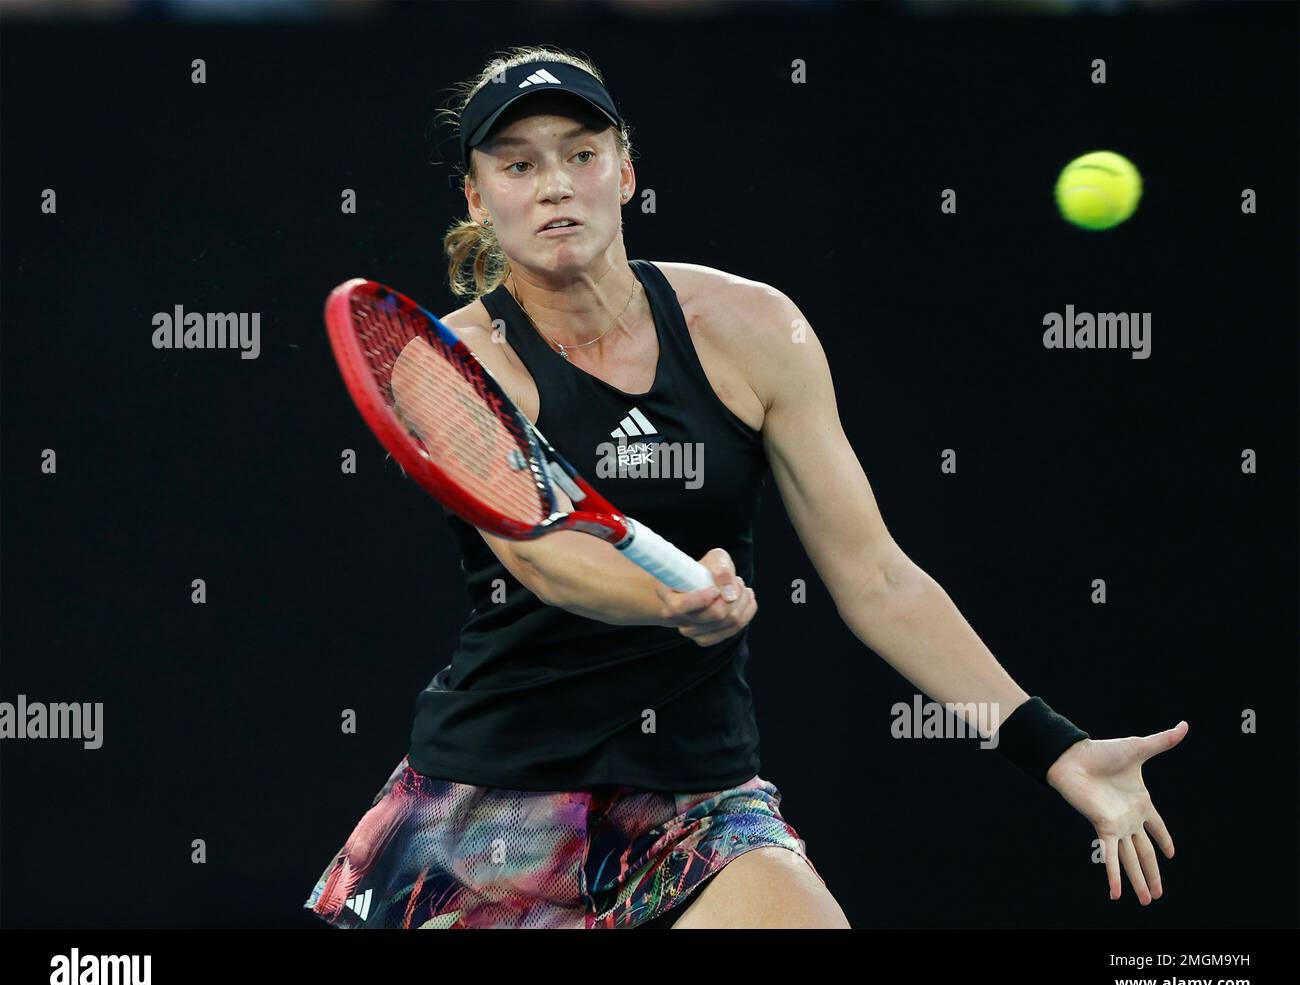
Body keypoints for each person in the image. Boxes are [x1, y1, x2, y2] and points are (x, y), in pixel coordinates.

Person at [304, 46, 1186, 930]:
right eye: (519, 164)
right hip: (492, 800)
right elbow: (550, 564)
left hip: (698, 796)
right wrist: (673, 600)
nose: (555, 185)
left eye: (581, 153)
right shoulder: (451, 364)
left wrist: (1052, 745)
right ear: (476, 197)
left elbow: (877, 577)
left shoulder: (756, 327)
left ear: (626, 171)